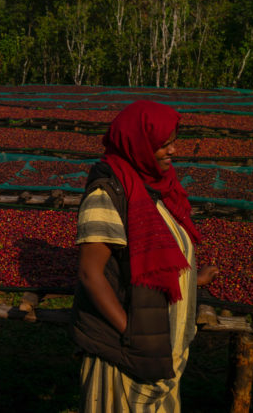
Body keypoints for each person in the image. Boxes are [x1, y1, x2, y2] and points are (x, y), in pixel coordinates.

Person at [69, 100, 219, 412]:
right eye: (163, 145)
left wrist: (190, 276)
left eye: (173, 143)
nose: (173, 151)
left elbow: (157, 250)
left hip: (159, 346)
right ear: (138, 145)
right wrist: (131, 331)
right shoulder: (107, 194)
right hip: (128, 351)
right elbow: (90, 274)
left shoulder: (157, 188)